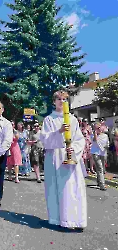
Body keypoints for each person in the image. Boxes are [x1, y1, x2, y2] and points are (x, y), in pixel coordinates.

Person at [40, 90, 87, 231]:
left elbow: (80, 139)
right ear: (54, 102)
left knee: (72, 188)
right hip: (55, 157)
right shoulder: (49, 119)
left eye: (64, 99)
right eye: (59, 99)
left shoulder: (72, 119)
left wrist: (74, 148)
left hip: (70, 156)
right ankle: (58, 219)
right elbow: (45, 140)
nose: (61, 101)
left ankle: (76, 220)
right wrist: (58, 132)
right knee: (56, 189)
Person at [90, 122, 109, 191]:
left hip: (103, 153)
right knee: (100, 168)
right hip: (96, 153)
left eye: (99, 127)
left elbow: (107, 143)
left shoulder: (105, 136)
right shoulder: (92, 135)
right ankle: (102, 185)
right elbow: (95, 140)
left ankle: (99, 182)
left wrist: (107, 146)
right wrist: (95, 132)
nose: (99, 129)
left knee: (101, 169)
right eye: (97, 128)